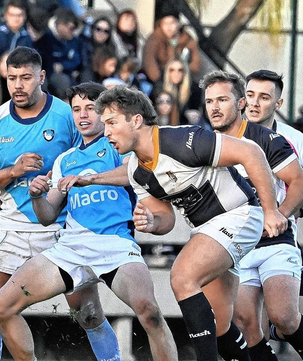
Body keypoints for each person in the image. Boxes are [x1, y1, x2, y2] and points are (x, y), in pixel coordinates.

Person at [0, 81, 179, 361]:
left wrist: (90, 179)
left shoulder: (119, 147)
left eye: (90, 108)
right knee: (0, 305)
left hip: (116, 245)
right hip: (71, 247)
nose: (83, 115)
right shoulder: (64, 160)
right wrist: (37, 195)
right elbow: (47, 216)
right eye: (76, 109)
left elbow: (134, 172)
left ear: (104, 113)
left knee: (149, 312)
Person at [97, 85, 287, 361]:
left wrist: (271, 210)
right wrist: (151, 221)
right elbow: (166, 220)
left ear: (136, 120)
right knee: (221, 327)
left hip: (240, 214)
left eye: (112, 123)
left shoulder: (182, 140)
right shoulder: (136, 171)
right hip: (208, 232)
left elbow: (252, 154)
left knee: (183, 277)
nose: (106, 133)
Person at [0, 46, 82, 361]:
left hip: (61, 227)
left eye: (25, 77)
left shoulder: (67, 116)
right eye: (12, 78)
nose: (18, 85)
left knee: (86, 313)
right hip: (10, 227)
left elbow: (87, 164)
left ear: (41, 77)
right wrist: (14, 171)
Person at [239, 69, 303, 359]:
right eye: (250, 95)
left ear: (278, 103)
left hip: (280, 236)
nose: (254, 103)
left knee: (284, 316)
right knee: (248, 326)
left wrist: (282, 216)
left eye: (264, 97)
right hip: (238, 240)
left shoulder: (294, 140)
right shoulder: (226, 135)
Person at [142, 6, 200, 83]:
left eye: (172, 23)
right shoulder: (154, 39)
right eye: (165, 23)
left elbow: (195, 63)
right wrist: (159, 80)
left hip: (183, 78)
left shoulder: (188, 39)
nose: (169, 27)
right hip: (160, 79)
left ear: (178, 24)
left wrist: (183, 75)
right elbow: (149, 62)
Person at [0, 0, 32, 68]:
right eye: (12, 15)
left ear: (25, 17)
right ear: (5, 15)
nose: (16, 19)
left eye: (19, 15)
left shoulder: (27, 35)